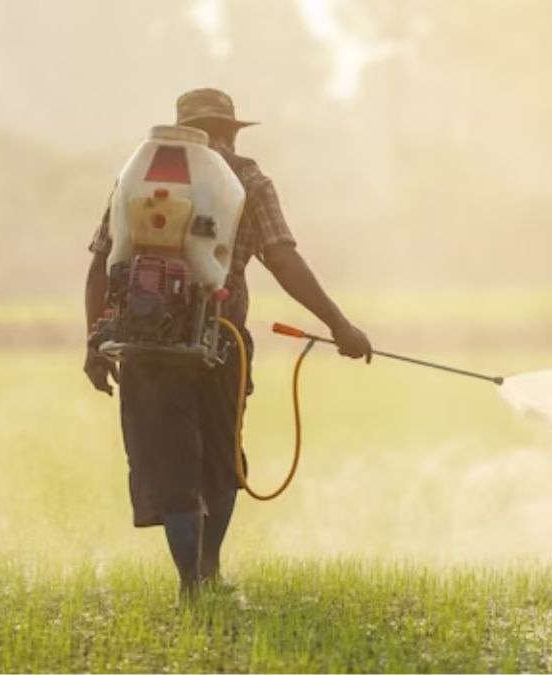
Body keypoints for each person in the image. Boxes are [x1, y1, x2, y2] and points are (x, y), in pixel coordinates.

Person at [82, 88, 372, 597]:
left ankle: (190, 581)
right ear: (230, 131)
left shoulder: (138, 176)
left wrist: (93, 343)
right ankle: (210, 571)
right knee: (221, 458)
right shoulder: (249, 180)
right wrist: (340, 326)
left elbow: (101, 267)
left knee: (169, 462)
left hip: (144, 344)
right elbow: (282, 259)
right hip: (222, 339)